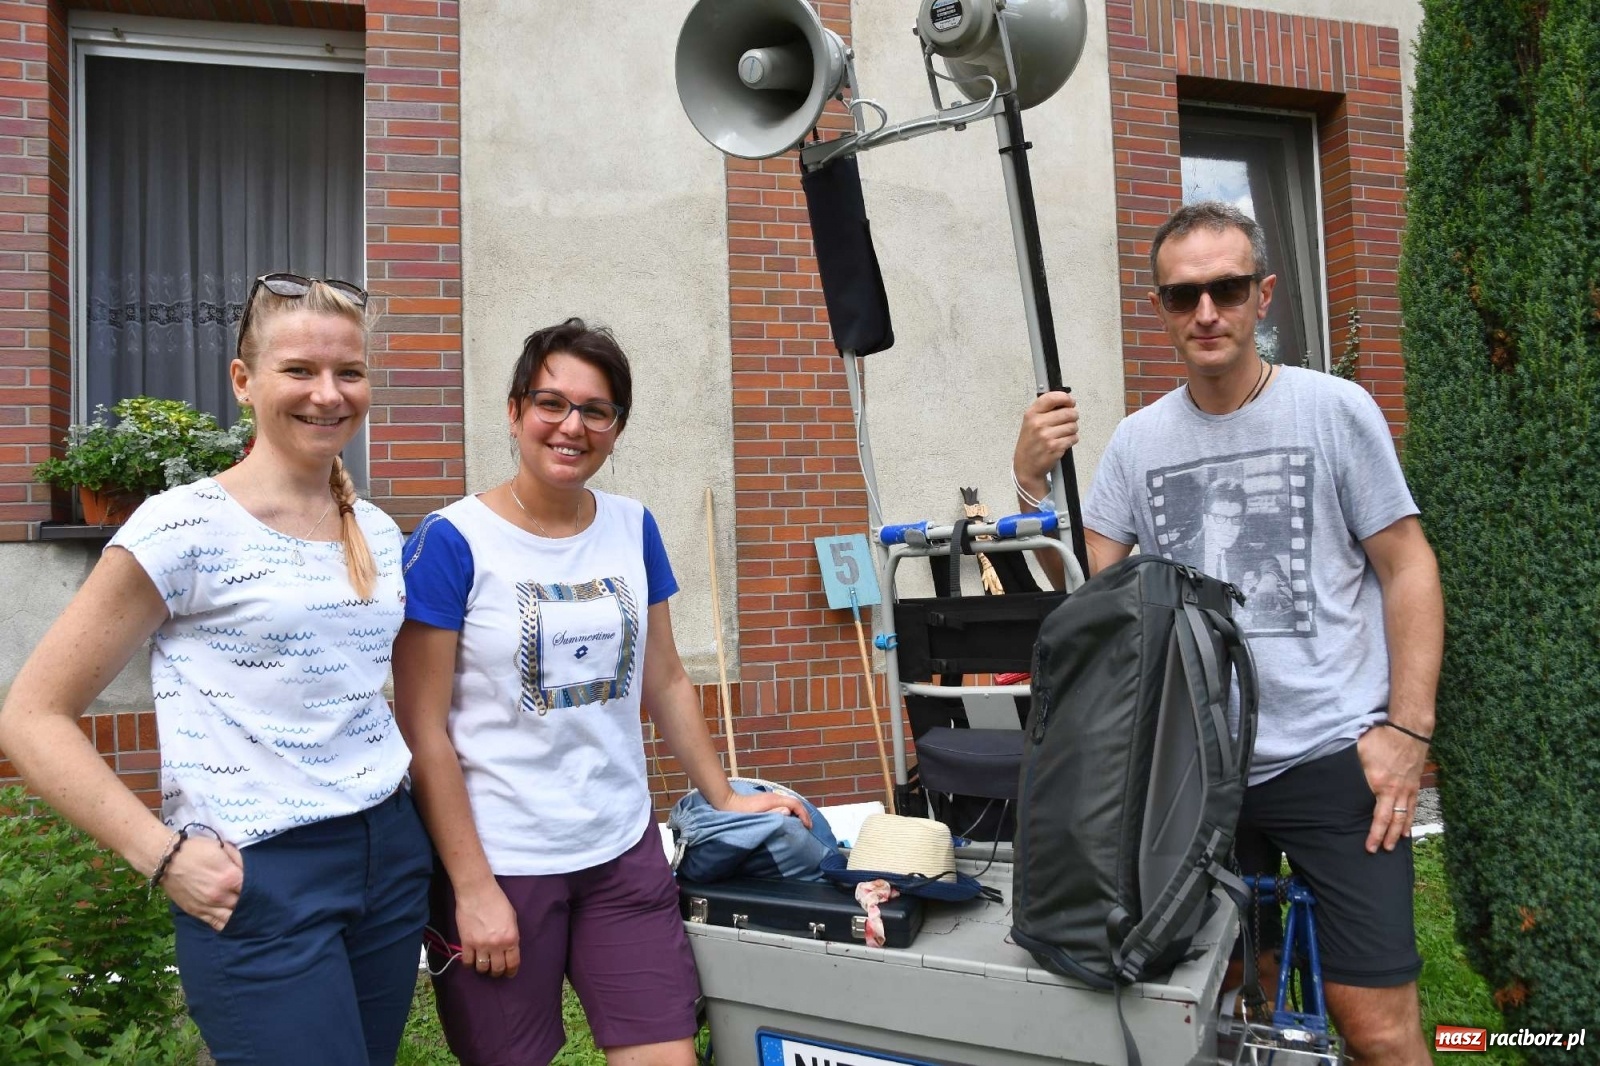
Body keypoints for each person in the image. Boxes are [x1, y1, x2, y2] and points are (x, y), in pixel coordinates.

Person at [1013, 202, 1443, 1065]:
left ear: (1264, 295)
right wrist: (1029, 488)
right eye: (1183, 296)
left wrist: (1406, 731)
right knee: (1218, 1010)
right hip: (1195, 771)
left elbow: (1409, 568)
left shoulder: (1333, 410)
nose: (1206, 312)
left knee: (1377, 1028)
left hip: (1330, 754)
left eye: (1227, 288)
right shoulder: (1138, 444)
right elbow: (1093, 601)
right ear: (1161, 309)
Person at [0, 273, 432, 1065]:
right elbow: (30, 716)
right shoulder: (184, 525)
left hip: (388, 857)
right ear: (244, 381)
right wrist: (158, 853)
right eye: (299, 370)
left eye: (349, 372)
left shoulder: (373, 525)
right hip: (260, 875)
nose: (327, 394)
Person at [393, 317, 809, 1066]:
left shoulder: (631, 526)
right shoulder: (449, 542)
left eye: (596, 409)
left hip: (621, 849)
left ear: (617, 427)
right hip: (502, 859)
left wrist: (723, 797)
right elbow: (422, 731)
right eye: (551, 403)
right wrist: (470, 885)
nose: (571, 425)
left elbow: (667, 678)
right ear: (516, 410)